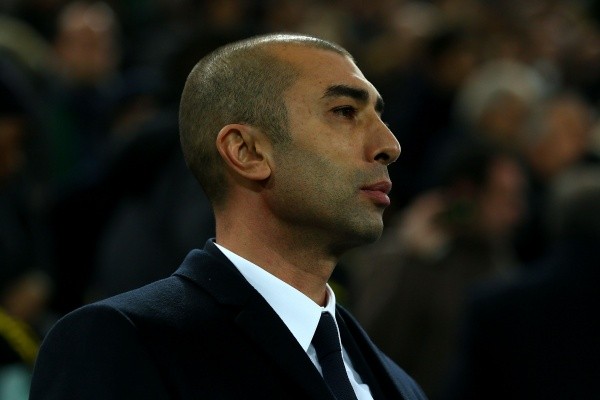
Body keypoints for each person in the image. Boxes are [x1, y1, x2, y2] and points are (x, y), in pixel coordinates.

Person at [29, 33, 427, 399]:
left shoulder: (401, 386)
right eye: (344, 111)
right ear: (246, 152)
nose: (390, 145)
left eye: (380, 116)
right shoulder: (119, 344)